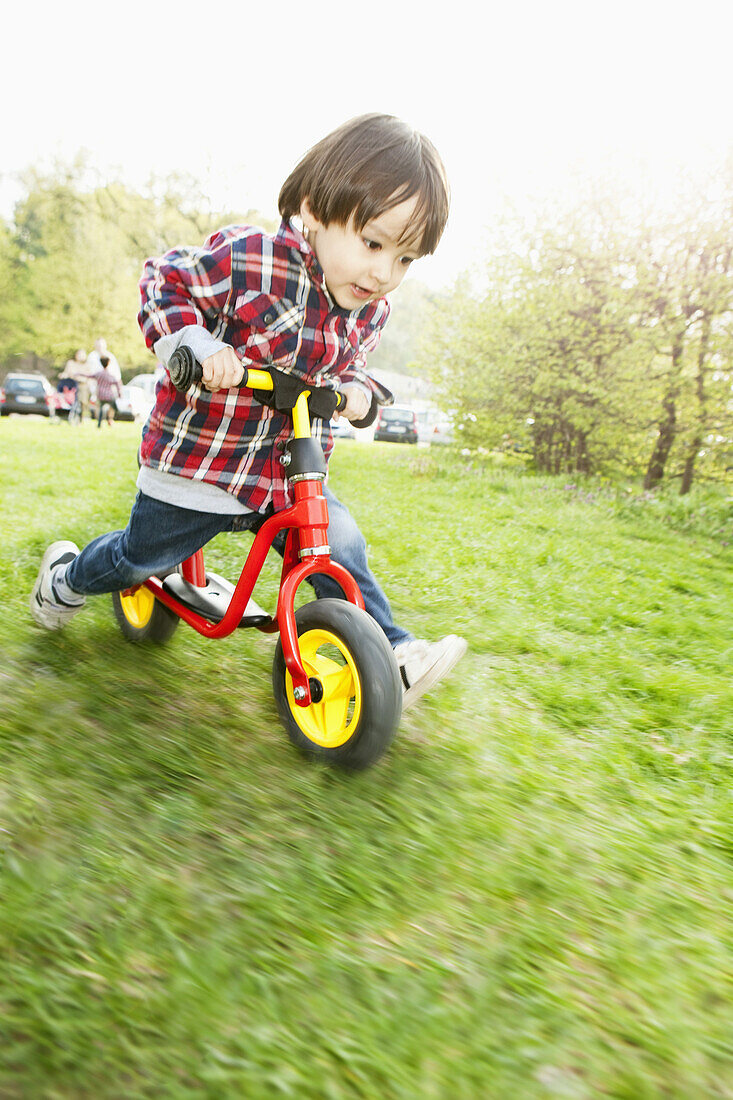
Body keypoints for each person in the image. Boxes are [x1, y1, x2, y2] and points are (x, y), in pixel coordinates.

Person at [30, 114, 467, 708]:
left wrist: (360, 393)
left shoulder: (369, 308)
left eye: (406, 259)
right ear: (314, 209)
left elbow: (344, 369)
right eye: (373, 243)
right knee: (142, 558)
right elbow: (162, 283)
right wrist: (198, 346)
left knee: (339, 545)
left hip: (289, 476)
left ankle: (390, 653)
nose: (383, 274)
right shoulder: (250, 258)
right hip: (201, 464)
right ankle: (66, 580)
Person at [93, 354, 123, 427]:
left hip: (101, 395)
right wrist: (119, 393)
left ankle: (99, 424)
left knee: (101, 410)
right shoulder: (110, 374)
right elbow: (117, 383)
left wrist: (77, 374)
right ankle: (113, 418)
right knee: (114, 408)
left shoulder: (99, 374)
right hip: (109, 395)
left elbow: (89, 375)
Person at [63, 348, 92, 422]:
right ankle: (68, 416)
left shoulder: (87, 365)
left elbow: (88, 376)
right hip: (72, 385)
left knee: (82, 402)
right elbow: (67, 373)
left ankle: (80, 419)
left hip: (82, 385)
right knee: (71, 400)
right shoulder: (71, 363)